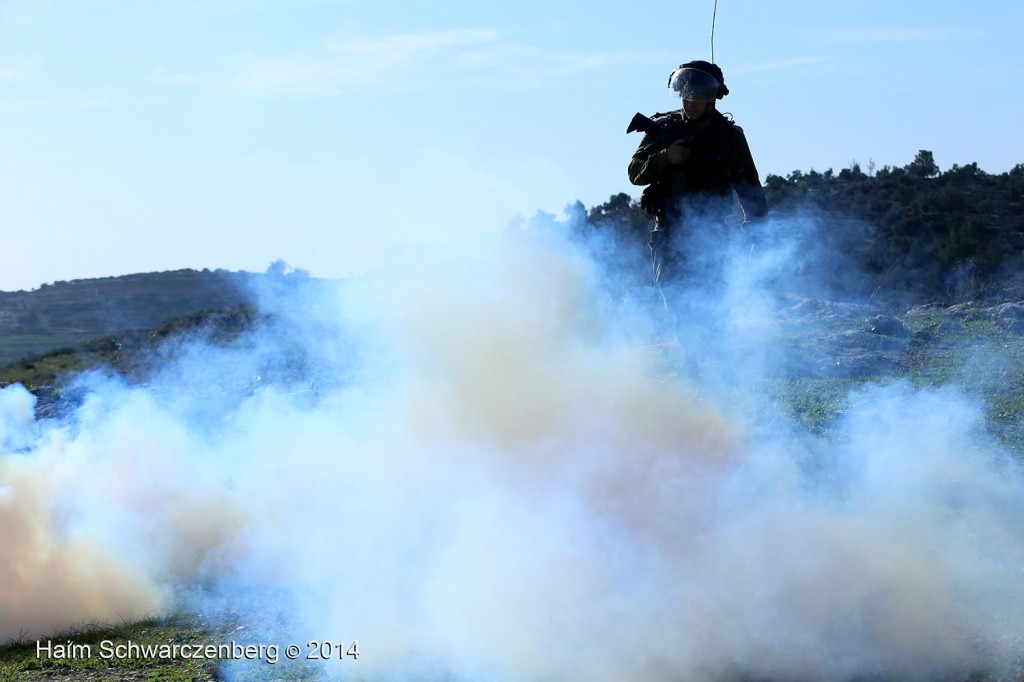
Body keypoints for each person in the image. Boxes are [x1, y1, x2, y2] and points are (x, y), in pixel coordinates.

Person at [628, 60, 766, 286]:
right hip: (669, 234)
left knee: (712, 310)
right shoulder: (664, 128)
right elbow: (635, 173)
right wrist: (666, 157)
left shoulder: (730, 137)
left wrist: (758, 233)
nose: (690, 103)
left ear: (711, 97)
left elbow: (750, 187)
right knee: (674, 309)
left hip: (712, 237)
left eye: (698, 97)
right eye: (686, 95)